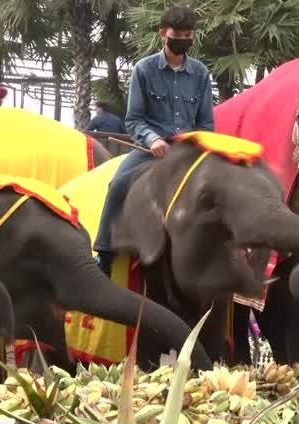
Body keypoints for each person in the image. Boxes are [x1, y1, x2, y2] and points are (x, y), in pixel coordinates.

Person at [93, 5, 215, 276]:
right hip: (151, 150)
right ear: (163, 34)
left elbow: (206, 124)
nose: (183, 39)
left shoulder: (200, 74)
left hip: (186, 152)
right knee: (118, 183)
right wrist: (153, 140)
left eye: (188, 34)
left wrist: (197, 148)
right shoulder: (144, 70)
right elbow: (134, 119)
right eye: (177, 33)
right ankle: (104, 252)